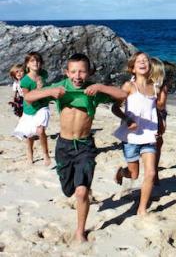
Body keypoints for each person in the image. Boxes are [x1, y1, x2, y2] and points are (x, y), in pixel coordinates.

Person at [24, 53, 127, 242]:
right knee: (68, 190)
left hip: (85, 146)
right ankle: (80, 189)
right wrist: (49, 92)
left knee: (81, 192)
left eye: (82, 71)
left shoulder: (93, 91)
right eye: (73, 71)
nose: (77, 76)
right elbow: (29, 97)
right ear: (66, 72)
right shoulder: (60, 87)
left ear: (88, 73)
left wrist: (100, 87)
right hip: (63, 146)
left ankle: (80, 231)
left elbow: (123, 94)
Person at [112, 51, 159, 215]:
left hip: (149, 135)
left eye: (146, 60)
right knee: (133, 174)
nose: (143, 62)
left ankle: (142, 208)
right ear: (133, 68)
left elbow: (155, 111)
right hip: (131, 136)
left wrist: (161, 126)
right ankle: (121, 172)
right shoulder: (128, 86)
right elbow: (114, 107)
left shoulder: (154, 87)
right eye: (139, 60)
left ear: (150, 66)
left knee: (151, 172)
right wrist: (127, 119)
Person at [13, 52, 51, 166]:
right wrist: (39, 90)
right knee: (29, 134)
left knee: (40, 130)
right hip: (30, 108)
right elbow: (28, 99)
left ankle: (45, 154)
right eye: (32, 61)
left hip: (42, 107)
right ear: (27, 64)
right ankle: (30, 153)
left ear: (41, 63)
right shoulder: (25, 81)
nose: (36, 63)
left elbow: (48, 87)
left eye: (38, 61)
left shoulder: (44, 74)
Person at [149, 57, 168, 185]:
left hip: (158, 114)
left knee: (158, 142)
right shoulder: (139, 84)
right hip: (146, 116)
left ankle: (154, 172)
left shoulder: (162, 86)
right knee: (150, 144)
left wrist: (153, 95)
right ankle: (152, 172)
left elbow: (161, 105)